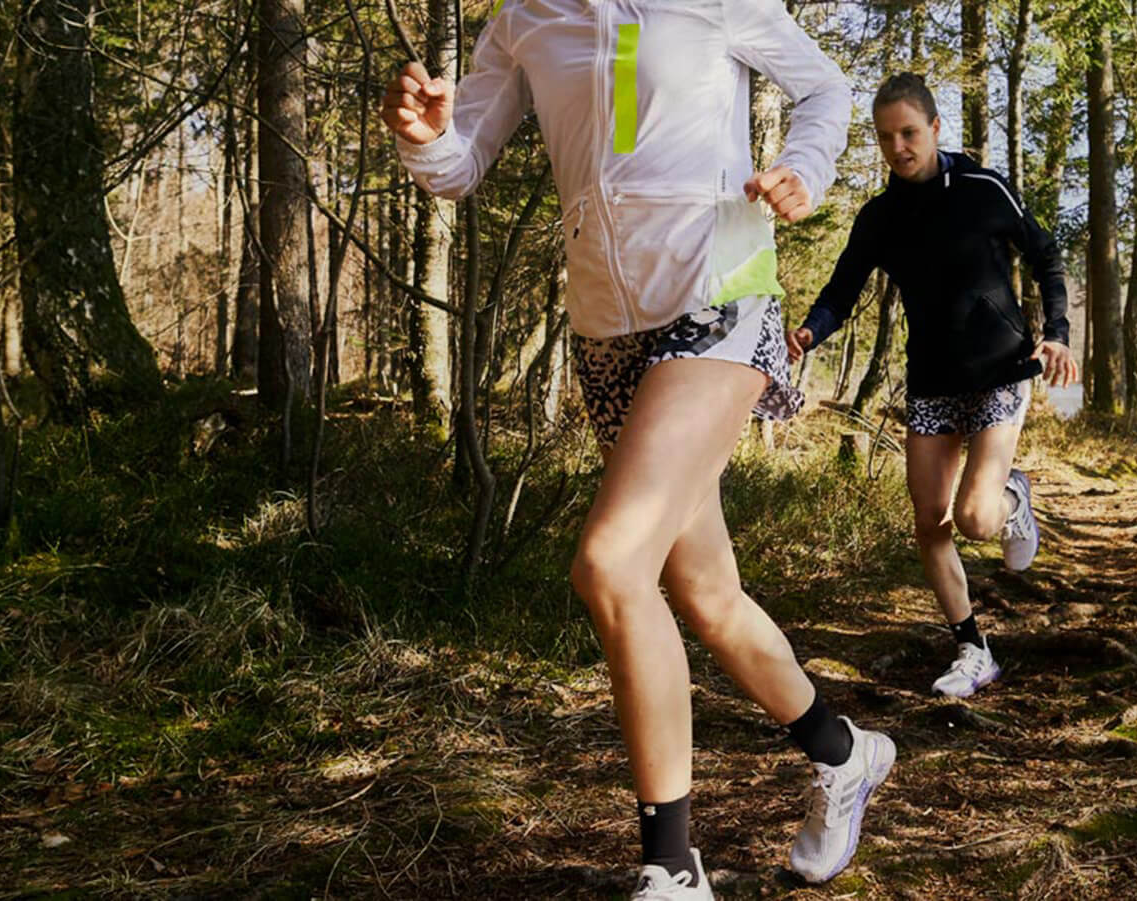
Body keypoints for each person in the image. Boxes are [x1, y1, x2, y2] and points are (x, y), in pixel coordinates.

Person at [381, 2, 894, 896]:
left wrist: (803, 172)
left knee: (612, 565)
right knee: (705, 591)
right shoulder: (523, 20)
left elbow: (823, 88)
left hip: (719, 291)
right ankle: (845, 755)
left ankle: (672, 866)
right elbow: (462, 162)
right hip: (609, 331)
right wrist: (426, 137)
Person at [787, 73, 1079, 701]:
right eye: (886, 137)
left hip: (1001, 370)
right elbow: (842, 291)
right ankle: (973, 649)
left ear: (935, 128)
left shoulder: (983, 187)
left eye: (910, 133)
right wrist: (811, 331)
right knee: (929, 520)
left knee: (975, 517)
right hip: (932, 383)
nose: (899, 147)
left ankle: (1013, 496)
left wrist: (1056, 331)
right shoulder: (881, 217)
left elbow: (1046, 255)